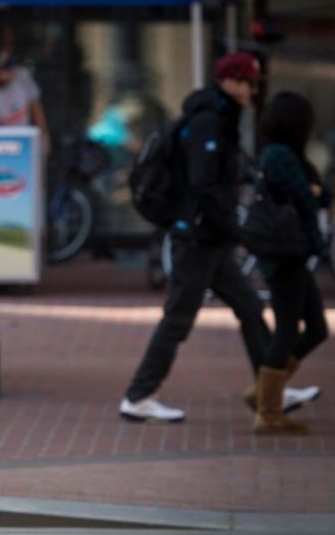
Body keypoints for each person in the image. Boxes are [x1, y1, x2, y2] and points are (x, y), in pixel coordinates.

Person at [119, 52, 317, 422]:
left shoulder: (220, 117)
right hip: (198, 238)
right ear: (226, 81)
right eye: (244, 82)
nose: (249, 89)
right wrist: (235, 230)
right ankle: (138, 395)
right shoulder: (210, 120)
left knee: (249, 308)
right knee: (178, 318)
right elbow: (204, 184)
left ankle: (268, 390)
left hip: (210, 239)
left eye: (253, 83)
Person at [251, 92, 331, 434]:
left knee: (316, 328)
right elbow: (308, 197)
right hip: (286, 254)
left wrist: (315, 194)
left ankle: (261, 394)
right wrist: (313, 197)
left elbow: (321, 194)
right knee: (287, 329)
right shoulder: (280, 155)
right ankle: (268, 412)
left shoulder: (280, 154)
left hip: (290, 253)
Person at [0, 49, 50, 155]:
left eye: (10, 67)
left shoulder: (21, 78)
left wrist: (44, 134)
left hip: (22, 144)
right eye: (4, 69)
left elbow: (36, 107)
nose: (10, 71)